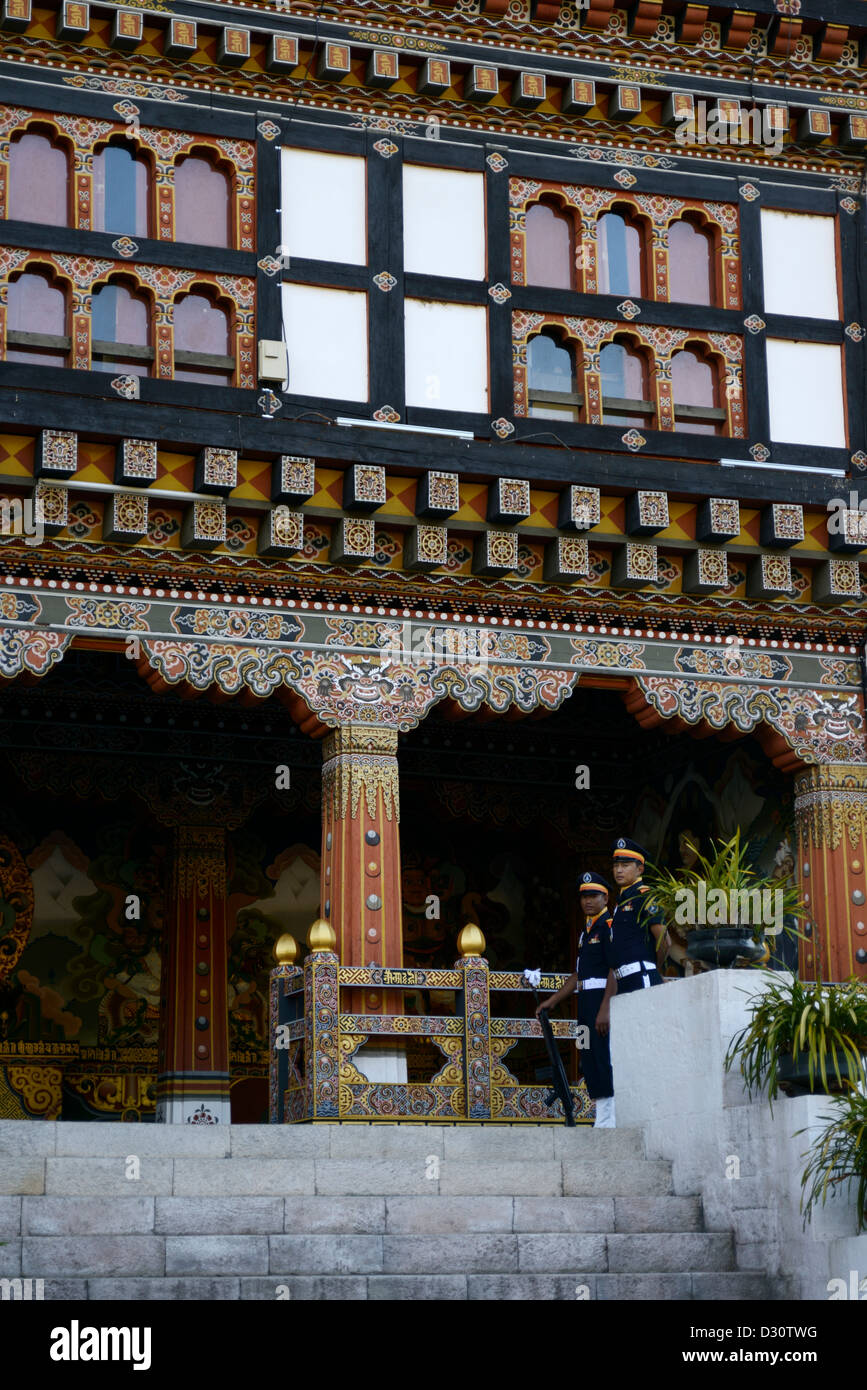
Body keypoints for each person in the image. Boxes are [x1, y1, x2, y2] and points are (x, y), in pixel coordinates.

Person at [535, 870, 617, 1128]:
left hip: (601, 1001)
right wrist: (554, 1000)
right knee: (587, 1054)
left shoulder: (608, 928)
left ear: (606, 898)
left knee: (603, 1056)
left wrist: (605, 1009)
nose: (588, 901)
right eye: (584, 897)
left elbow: (615, 969)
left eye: (594, 896)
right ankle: (601, 1112)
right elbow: (577, 974)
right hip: (584, 1001)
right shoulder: (586, 932)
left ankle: (609, 1116)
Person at [605, 837, 671, 992]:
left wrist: (656, 969)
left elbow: (664, 940)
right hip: (622, 981)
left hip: (642, 976)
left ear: (640, 869)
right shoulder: (620, 902)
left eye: (625, 865)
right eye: (616, 865)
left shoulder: (645, 896)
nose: (619, 870)